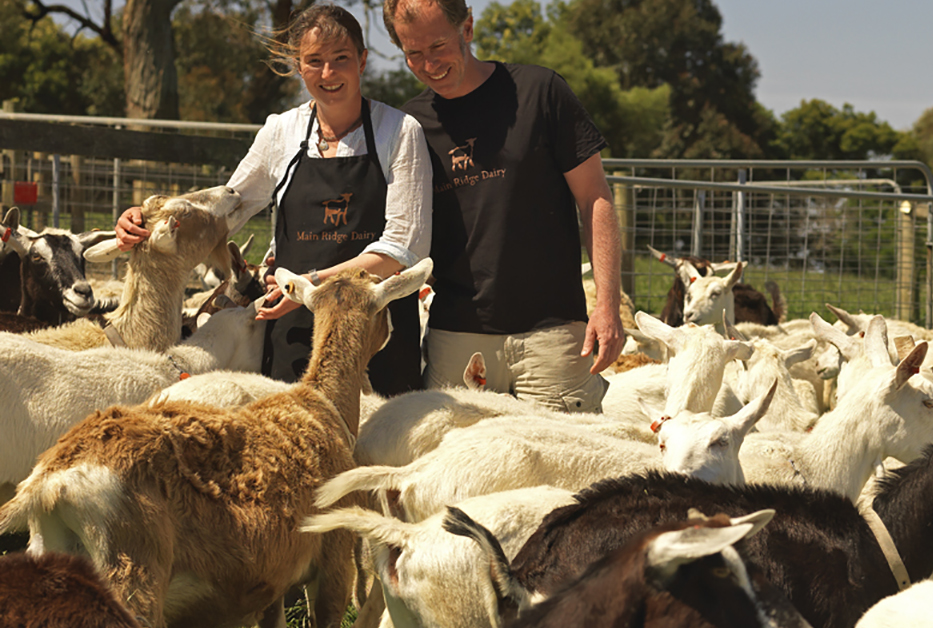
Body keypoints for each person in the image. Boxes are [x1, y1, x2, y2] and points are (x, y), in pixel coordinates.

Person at [114, 4, 432, 396]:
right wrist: (146, 219)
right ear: (299, 66)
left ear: (362, 61)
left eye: (341, 59)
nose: (328, 73)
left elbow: (401, 249)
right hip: (292, 332)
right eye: (314, 61)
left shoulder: (399, 132)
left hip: (373, 333)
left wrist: (305, 288)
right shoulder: (281, 131)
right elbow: (226, 210)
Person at [383, 0, 624, 412]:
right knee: (454, 474)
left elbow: (594, 196)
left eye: (439, 46)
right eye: (414, 54)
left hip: (554, 338)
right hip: (455, 338)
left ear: (468, 28)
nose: (429, 64)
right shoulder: (409, 126)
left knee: (570, 468)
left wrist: (607, 304)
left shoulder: (539, 92)